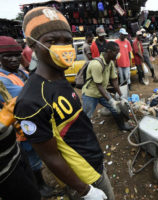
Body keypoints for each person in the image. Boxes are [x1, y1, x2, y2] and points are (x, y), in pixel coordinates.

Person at [15, 7, 114, 200]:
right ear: (33, 45)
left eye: (67, 41)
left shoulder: (60, 79)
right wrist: (85, 191)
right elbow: (49, 156)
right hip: (83, 178)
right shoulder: (31, 101)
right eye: (51, 41)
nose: (63, 47)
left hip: (94, 162)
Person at [0, 36, 55, 198]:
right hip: (20, 130)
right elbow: (30, 95)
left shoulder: (21, 72)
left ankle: (40, 184)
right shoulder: (2, 80)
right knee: (32, 161)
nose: (13, 59)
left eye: (17, 54)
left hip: (32, 124)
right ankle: (39, 187)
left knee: (36, 157)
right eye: (7, 56)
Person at [82, 41, 133, 131]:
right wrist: (111, 100)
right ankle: (84, 135)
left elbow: (114, 80)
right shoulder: (96, 64)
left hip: (102, 93)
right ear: (109, 51)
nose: (118, 54)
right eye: (116, 52)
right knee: (86, 116)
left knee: (116, 109)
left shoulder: (110, 63)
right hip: (91, 94)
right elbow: (99, 85)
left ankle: (122, 126)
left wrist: (121, 96)